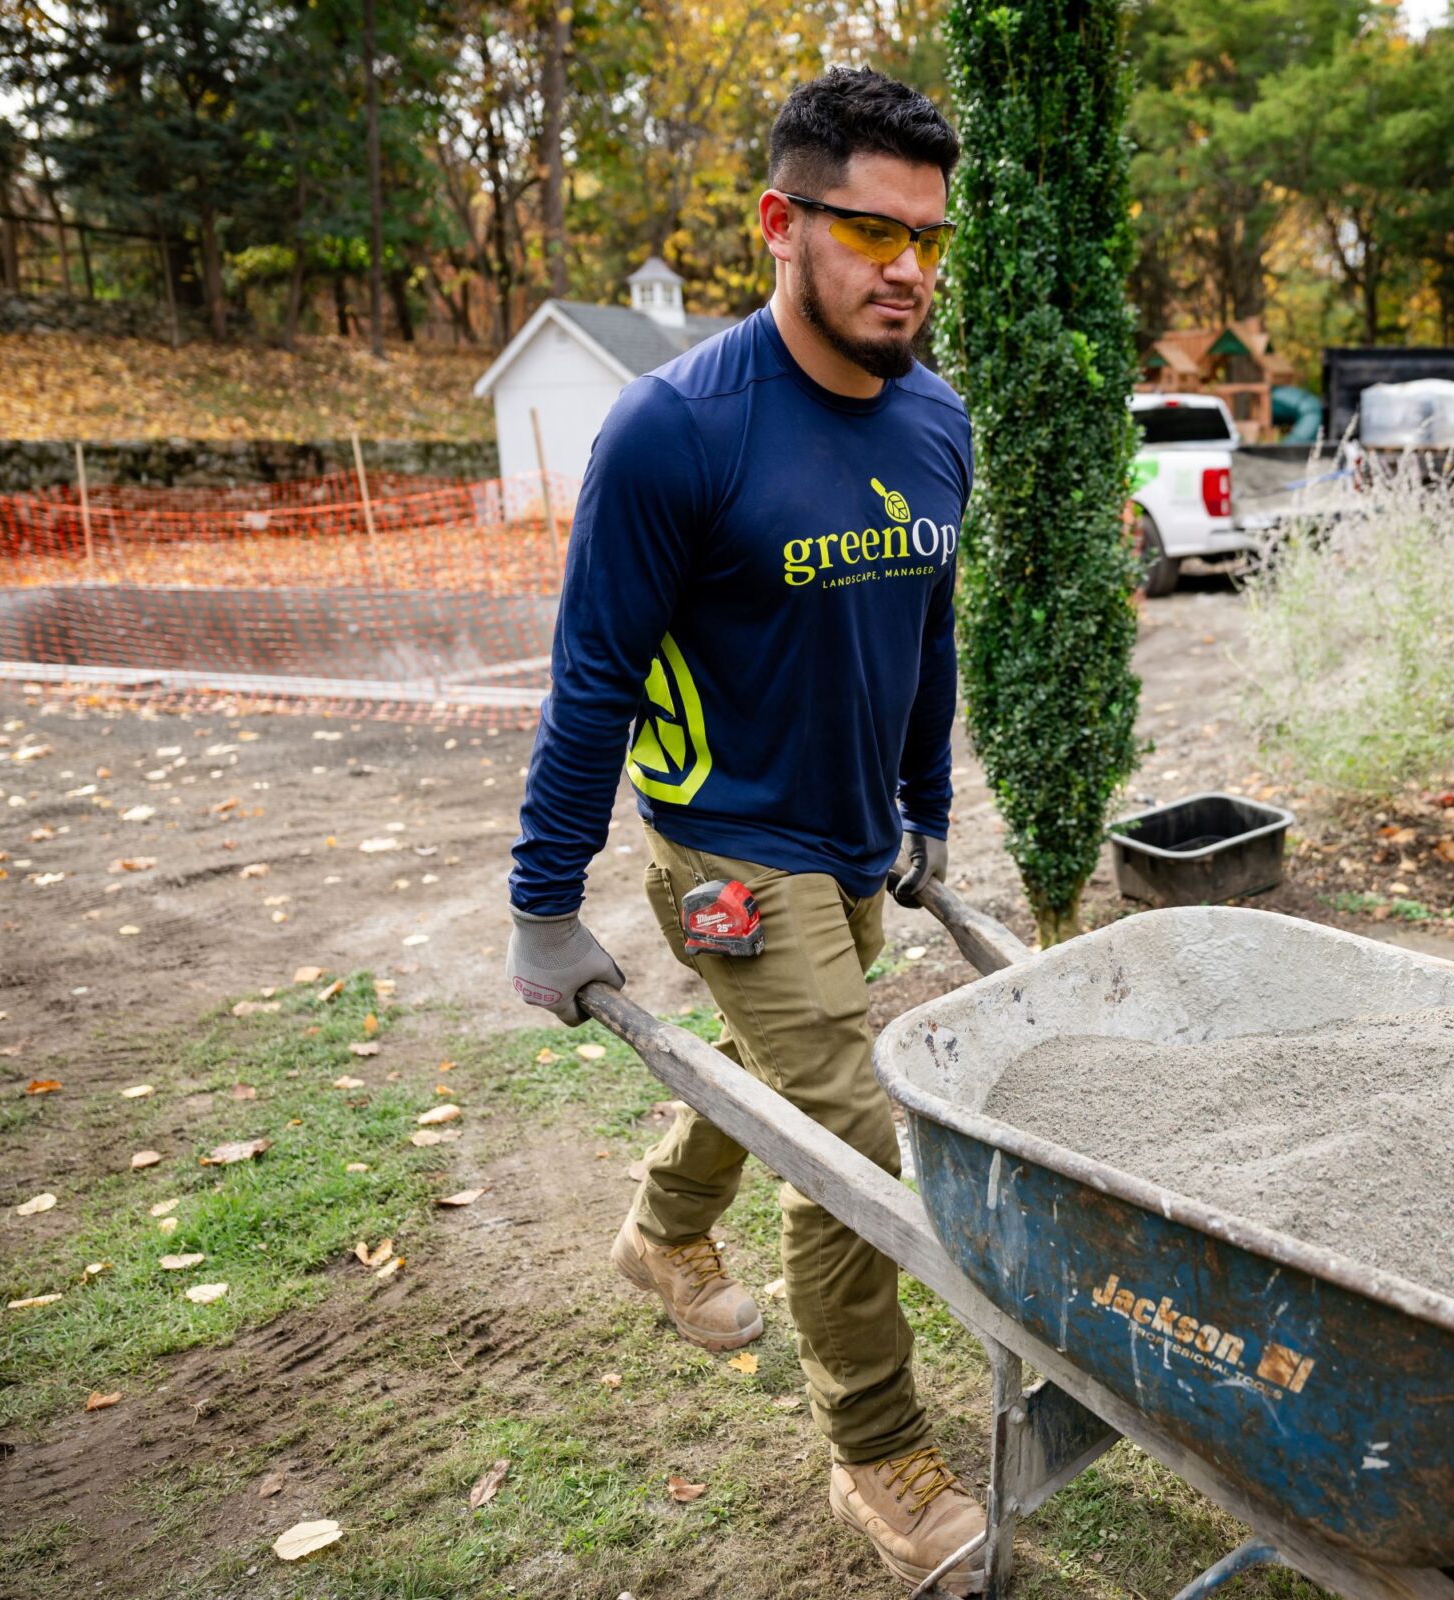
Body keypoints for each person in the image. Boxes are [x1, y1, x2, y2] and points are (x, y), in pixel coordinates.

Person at [505, 67, 981, 1595]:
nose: (906, 267)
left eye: (928, 237)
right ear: (783, 223)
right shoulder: (677, 434)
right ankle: (878, 1457)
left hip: (848, 841)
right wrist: (543, 903)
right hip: (724, 850)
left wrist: (922, 815)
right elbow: (591, 679)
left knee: (791, 1064)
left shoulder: (936, 426)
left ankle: (661, 1232)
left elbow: (927, 637)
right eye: (868, 230)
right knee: (853, 1138)